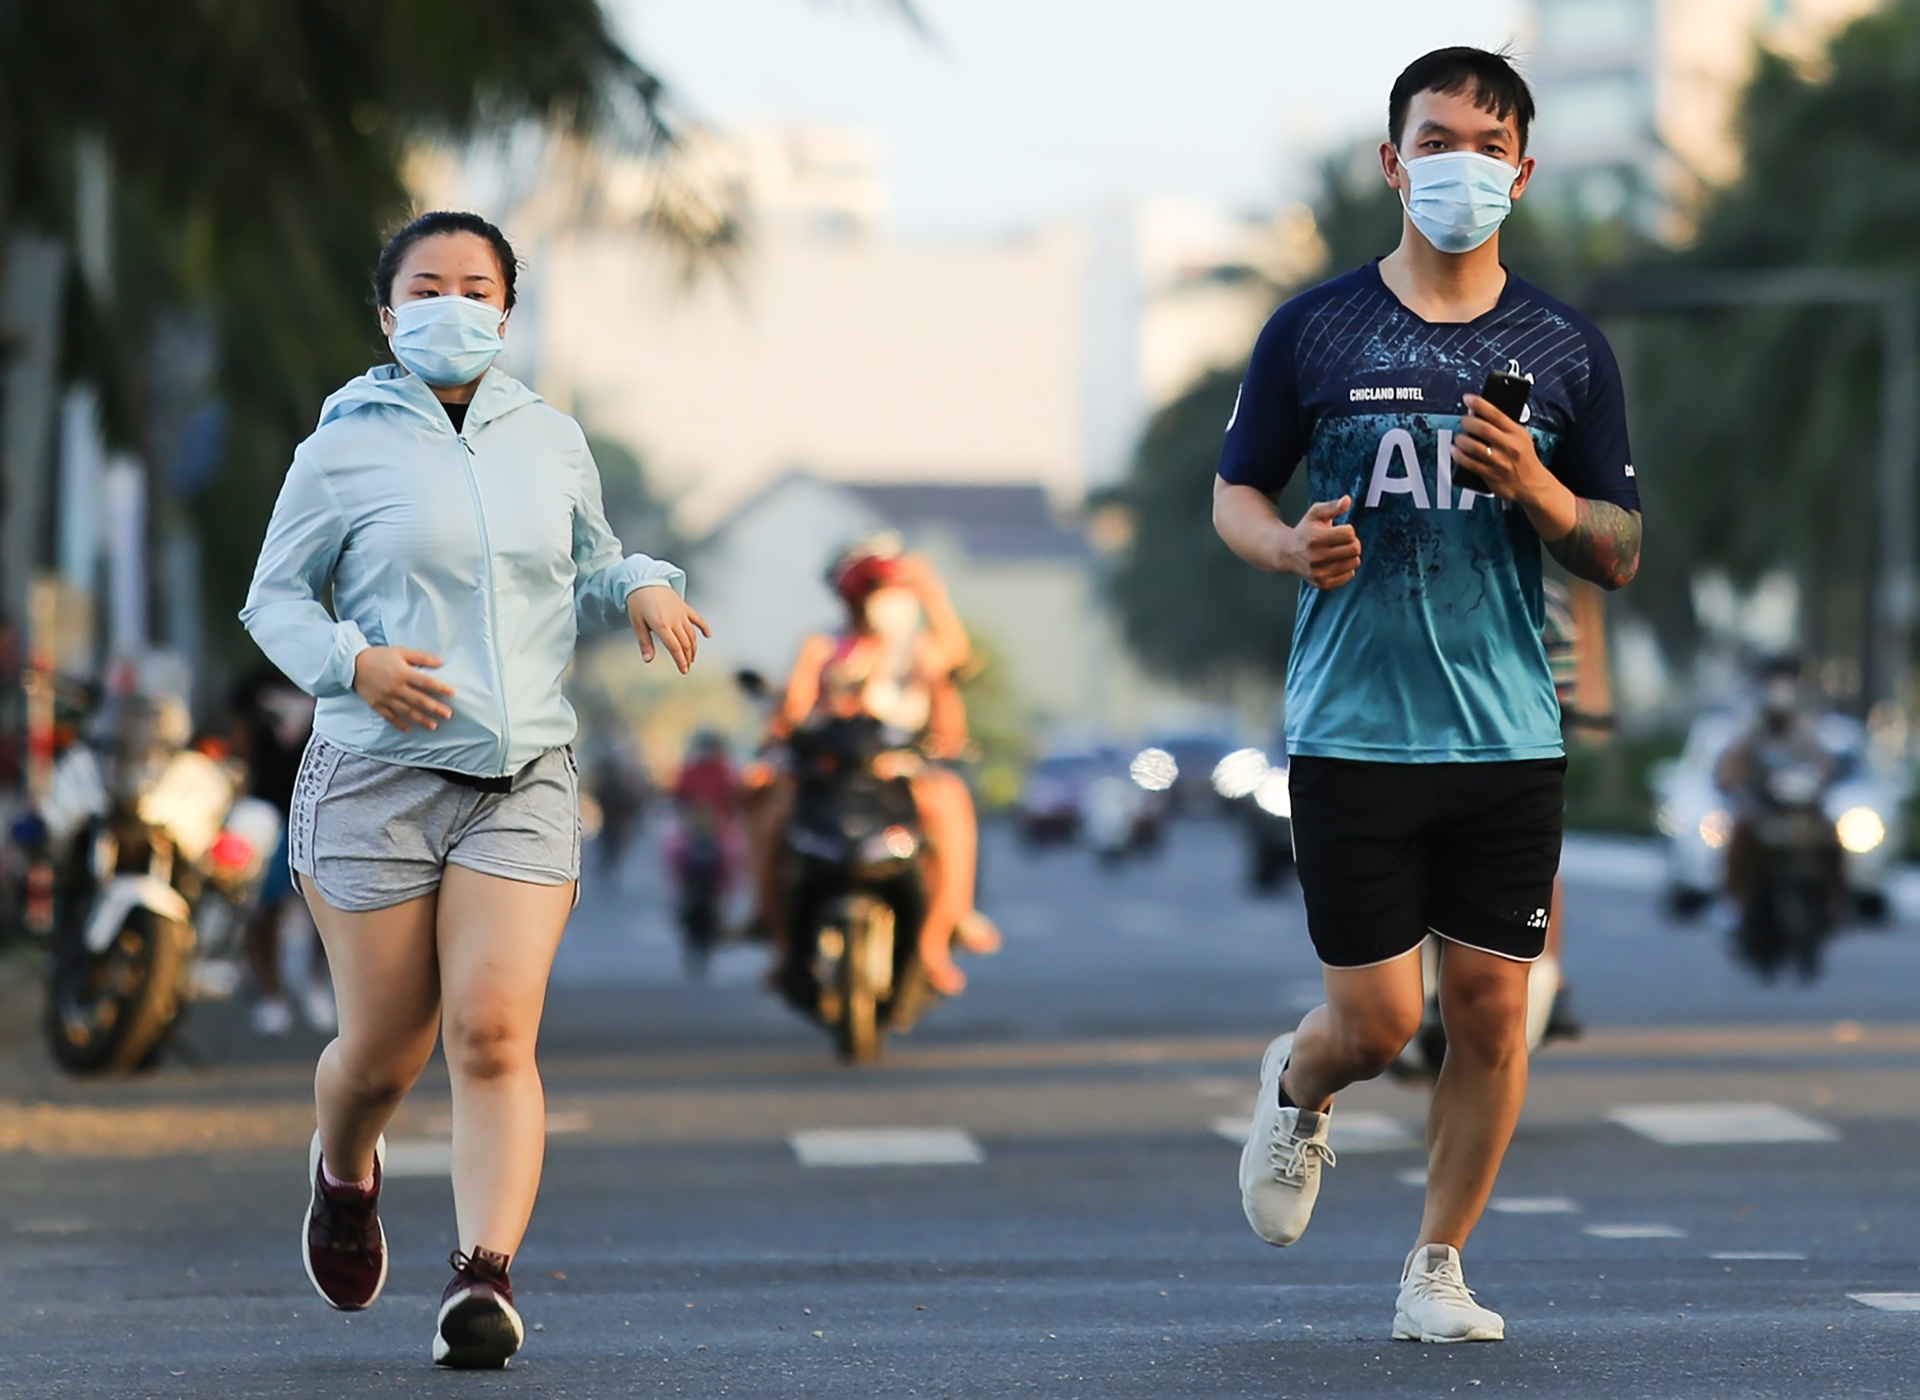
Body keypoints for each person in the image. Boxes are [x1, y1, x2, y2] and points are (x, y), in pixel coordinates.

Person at [1212, 48, 1641, 1343]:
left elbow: (1620, 546)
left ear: (1522, 170)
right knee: (1382, 1022)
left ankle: (1435, 1269)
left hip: (1507, 733)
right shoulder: (1314, 331)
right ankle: (1296, 1087)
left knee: (1494, 1013)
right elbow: (1235, 491)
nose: (1462, 164)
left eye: (1487, 144)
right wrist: (1290, 546)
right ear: (1392, 162)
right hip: (1352, 729)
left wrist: (1543, 491)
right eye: (1436, 140)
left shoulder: (1563, 350)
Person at [240, 211, 708, 1369]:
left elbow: (591, 563)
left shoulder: (549, 439)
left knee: (492, 1030)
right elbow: (275, 598)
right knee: (383, 1051)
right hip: (372, 780)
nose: (455, 304)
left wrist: (642, 582)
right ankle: (345, 1169)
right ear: (390, 314)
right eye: (428, 286)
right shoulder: (339, 447)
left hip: (524, 773)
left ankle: (480, 1278)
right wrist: (356, 663)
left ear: (506, 310)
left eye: (478, 287)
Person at [748, 540, 997, 1000]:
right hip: (827, 772)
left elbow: (955, 656)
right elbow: (794, 708)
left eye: (894, 592)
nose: (887, 603)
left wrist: (933, 595)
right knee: (774, 810)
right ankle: (780, 941)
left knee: (947, 803)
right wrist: (779, 743)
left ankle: (935, 940)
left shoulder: (917, 651)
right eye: (877, 593)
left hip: (899, 771)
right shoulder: (823, 648)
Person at [229, 662, 334, 1036]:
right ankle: (271, 994)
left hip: (320, 801)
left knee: (326, 903)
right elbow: (239, 737)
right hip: (266, 805)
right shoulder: (254, 683)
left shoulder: (327, 667)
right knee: (263, 903)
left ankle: (316, 983)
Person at [1714, 655, 1840, 934]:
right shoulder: (1750, 729)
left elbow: (1824, 762)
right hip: (1762, 810)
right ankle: (1735, 902)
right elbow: (1730, 765)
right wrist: (1734, 780)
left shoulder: (1804, 729)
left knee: (1834, 835)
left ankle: (1835, 900)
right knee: (1741, 832)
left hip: (1800, 813)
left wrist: (1824, 776)